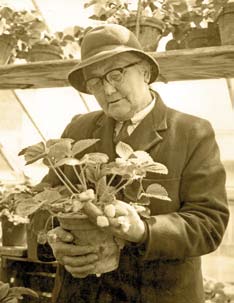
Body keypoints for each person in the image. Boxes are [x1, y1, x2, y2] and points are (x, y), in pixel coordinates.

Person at [44, 24, 229, 303]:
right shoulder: (78, 129)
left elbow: (209, 223)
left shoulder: (192, 132)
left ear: (144, 70)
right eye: (94, 82)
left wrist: (143, 229)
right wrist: (54, 239)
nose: (107, 88)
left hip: (155, 294)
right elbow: (44, 198)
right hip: (80, 293)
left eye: (116, 74)